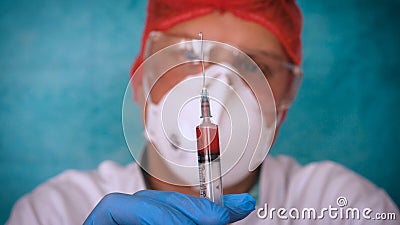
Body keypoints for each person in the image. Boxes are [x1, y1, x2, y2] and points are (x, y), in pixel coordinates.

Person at [7, 0, 399, 224]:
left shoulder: (343, 204)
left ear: (283, 102)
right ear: (140, 79)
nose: (216, 85)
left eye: (253, 67)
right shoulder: (54, 211)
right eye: (188, 56)